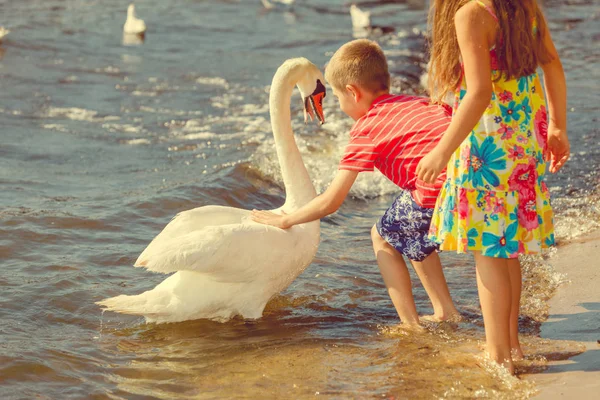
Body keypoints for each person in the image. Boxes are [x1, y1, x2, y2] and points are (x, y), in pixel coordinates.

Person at [251, 39, 460, 327]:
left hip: (435, 191)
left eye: (337, 98)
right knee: (406, 226)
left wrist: (287, 220)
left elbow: (331, 201)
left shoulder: (366, 128)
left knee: (383, 238)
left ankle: (410, 325)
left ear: (352, 92)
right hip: (469, 180)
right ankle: (445, 310)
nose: (339, 104)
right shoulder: (418, 102)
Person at [416, 0, 570, 373]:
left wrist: (441, 151)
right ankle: (512, 347)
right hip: (522, 137)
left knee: (488, 250)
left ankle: (497, 355)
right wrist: (557, 127)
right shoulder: (523, 7)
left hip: (488, 148)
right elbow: (551, 63)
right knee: (506, 247)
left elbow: (479, 91)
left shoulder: (471, 15)